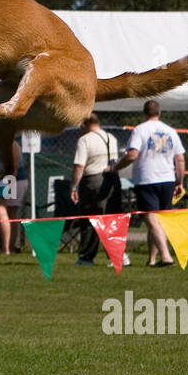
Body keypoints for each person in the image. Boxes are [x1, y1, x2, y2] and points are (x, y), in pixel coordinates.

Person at [115, 100, 185, 267]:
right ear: (159, 113)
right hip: (168, 179)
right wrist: (180, 182)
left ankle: (166, 256)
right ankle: (152, 259)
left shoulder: (140, 130)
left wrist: (116, 167)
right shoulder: (170, 131)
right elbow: (180, 159)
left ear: (144, 113)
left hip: (147, 178)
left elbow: (132, 155)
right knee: (157, 220)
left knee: (151, 219)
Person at [70, 113, 127, 268]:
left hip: (93, 181)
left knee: (89, 219)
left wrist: (73, 186)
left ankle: (86, 257)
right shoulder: (111, 137)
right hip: (113, 180)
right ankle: (119, 256)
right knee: (112, 218)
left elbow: (79, 166)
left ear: (86, 124)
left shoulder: (85, 140)